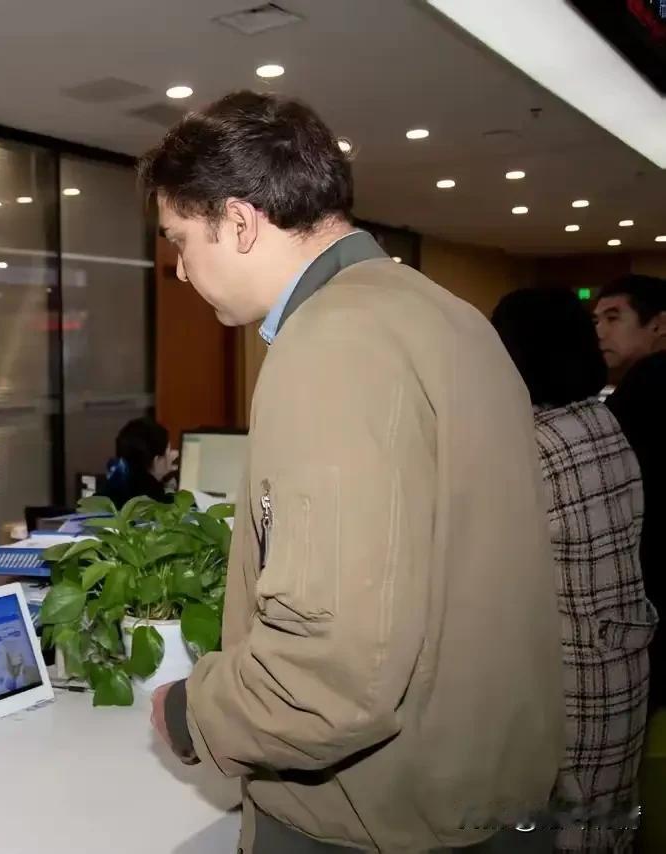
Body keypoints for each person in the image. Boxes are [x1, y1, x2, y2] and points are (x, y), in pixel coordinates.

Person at [140, 91, 564, 854]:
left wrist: (189, 711)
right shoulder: (450, 316)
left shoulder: (332, 345)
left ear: (238, 222)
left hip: (380, 822)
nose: (177, 270)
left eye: (178, 240)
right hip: (481, 799)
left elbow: (334, 673)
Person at [493, 287, 655, 853]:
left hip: (573, 673)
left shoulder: (534, 443)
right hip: (622, 657)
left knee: (573, 834)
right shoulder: (600, 419)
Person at [595, 275, 666, 713]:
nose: (600, 330)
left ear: (658, 324)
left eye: (614, 317)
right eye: (597, 319)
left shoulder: (650, 383)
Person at [97, 416, 178, 510]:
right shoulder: (158, 504)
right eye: (168, 451)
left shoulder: (106, 494)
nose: (172, 454)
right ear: (156, 460)